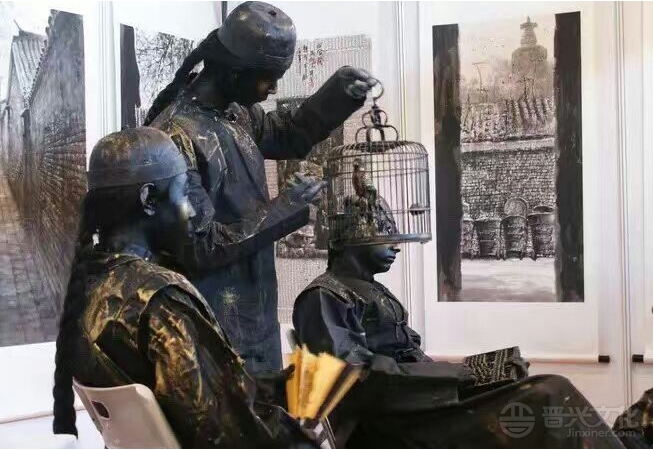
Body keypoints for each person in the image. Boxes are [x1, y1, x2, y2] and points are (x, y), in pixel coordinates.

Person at [146, 0, 377, 373]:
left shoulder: (237, 113)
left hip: (254, 312)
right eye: (268, 77)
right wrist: (286, 206)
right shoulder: (174, 136)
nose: (273, 89)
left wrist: (339, 94)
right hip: (211, 327)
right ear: (233, 72)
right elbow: (200, 247)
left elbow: (289, 135)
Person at [51, 128, 314, 448]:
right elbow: (224, 435)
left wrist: (275, 388)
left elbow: (199, 396)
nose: (190, 211)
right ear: (149, 199)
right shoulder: (160, 301)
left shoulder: (89, 285)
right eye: (184, 194)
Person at [293, 196, 624, 448]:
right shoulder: (324, 296)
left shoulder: (370, 289)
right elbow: (355, 379)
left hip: (417, 408)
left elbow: (410, 360)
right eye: (386, 235)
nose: (396, 246)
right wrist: (460, 376)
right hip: (392, 425)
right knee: (548, 392)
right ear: (352, 238)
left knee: (542, 388)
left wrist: (482, 372)